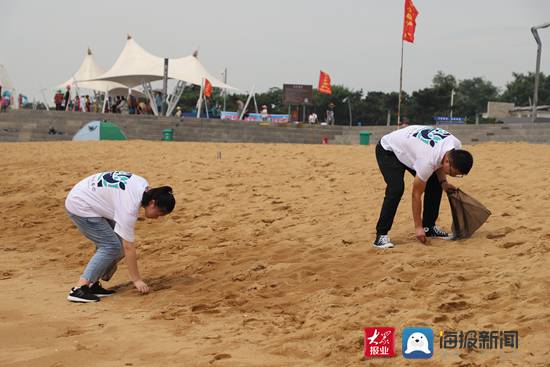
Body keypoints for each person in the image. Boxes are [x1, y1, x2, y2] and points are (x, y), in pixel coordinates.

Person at [65, 171, 175, 303]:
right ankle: (79, 288)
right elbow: (128, 247)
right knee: (112, 247)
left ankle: (92, 285)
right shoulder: (129, 208)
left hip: (91, 198)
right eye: (159, 212)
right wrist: (137, 280)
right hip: (81, 204)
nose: (158, 217)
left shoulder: (143, 186)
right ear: (152, 203)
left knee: (115, 246)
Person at [372, 125, 473, 249]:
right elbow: (416, 195)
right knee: (396, 189)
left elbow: (439, 163)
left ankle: (429, 227)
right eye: (453, 173)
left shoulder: (456, 146)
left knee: (435, 183)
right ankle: (381, 235)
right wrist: (418, 227)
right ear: (448, 162)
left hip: (411, 146)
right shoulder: (427, 162)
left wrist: (443, 183)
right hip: (389, 150)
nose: (453, 175)